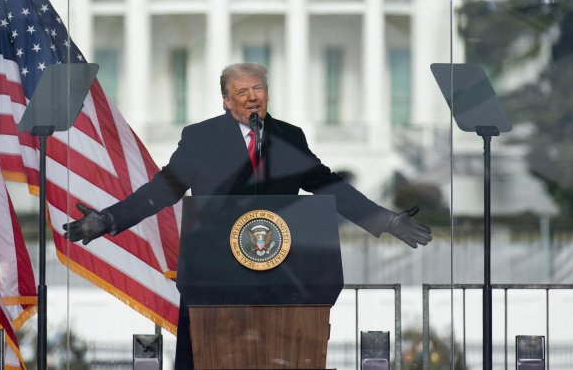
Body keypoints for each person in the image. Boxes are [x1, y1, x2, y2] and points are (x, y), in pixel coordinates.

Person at [65, 62, 432, 369]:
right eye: (242, 92)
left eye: (258, 89)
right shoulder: (200, 138)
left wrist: (385, 221)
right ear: (226, 100)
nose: (252, 97)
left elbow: (328, 185)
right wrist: (109, 220)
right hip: (213, 280)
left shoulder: (289, 137)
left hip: (283, 282)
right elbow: (164, 189)